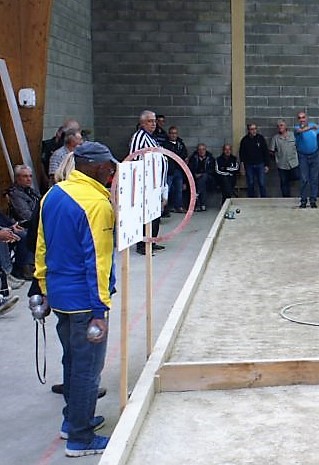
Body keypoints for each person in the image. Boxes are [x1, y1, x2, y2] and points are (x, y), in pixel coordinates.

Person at [34, 141, 117, 457]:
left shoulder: (53, 194)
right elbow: (97, 260)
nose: (111, 171)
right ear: (94, 166)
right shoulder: (97, 204)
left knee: (72, 360)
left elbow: (41, 246)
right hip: (85, 302)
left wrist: (42, 287)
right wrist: (99, 308)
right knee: (87, 369)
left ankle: (73, 420)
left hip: (59, 297)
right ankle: (80, 439)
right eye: (109, 166)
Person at [129, 110, 166, 255]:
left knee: (155, 214)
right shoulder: (139, 137)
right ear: (143, 122)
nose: (154, 124)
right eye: (150, 121)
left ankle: (152, 240)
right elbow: (134, 158)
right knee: (145, 215)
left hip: (155, 184)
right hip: (145, 184)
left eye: (154, 121)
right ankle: (142, 244)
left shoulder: (151, 137)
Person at [6, 165, 40, 280]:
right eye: (25, 176)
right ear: (17, 178)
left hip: (34, 221)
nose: (29, 179)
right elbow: (25, 214)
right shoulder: (14, 193)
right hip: (21, 224)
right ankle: (25, 267)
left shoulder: (31, 192)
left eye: (30, 176)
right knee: (26, 234)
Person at [293, 112, 319, 207]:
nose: (302, 119)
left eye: (303, 117)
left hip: (315, 155)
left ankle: (313, 200)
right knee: (304, 179)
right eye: (300, 118)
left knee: (314, 179)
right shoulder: (296, 128)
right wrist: (311, 128)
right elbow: (300, 131)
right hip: (303, 156)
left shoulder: (313, 126)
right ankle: (303, 200)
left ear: (307, 118)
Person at [269, 119, 299, 198]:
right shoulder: (275, 138)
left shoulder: (293, 135)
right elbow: (271, 150)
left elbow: (298, 146)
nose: (280, 127)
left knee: (297, 177)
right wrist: (276, 155)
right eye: (278, 126)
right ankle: (286, 199)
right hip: (282, 164)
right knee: (284, 183)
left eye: (281, 125)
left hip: (294, 163)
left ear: (286, 126)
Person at [239, 122, 270, 198]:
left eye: (255, 129)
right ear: (248, 130)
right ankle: (251, 200)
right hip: (249, 165)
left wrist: (267, 165)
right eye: (252, 129)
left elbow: (265, 152)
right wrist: (242, 165)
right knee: (250, 183)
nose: (254, 131)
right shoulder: (244, 140)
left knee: (262, 183)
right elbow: (242, 154)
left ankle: (264, 200)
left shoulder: (260, 138)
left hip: (260, 164)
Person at [162, 126, 188, 213]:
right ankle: (165, 208)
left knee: (179, 189)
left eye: (175, 133)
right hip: (169, 171)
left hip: (179, 170)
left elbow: (184, 155)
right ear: (169, 134)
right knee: (167, 190)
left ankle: (179, 206)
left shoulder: (181, 144)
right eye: (172, 133)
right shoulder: (165, 144)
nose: (173, 135)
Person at [188, 144, 216, 211]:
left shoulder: (210, 158)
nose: (201, 151)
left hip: (209, 179)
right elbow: (190, 169)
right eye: (200, 149)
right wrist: (195, 174)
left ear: (206, 150)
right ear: (197, 150)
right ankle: (202, 204)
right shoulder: (193, 158)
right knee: (201, 182)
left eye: (203, 149)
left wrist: (201, 174)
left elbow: (212, 170)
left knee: (203, 177)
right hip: (195, 178)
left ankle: (197, 195)